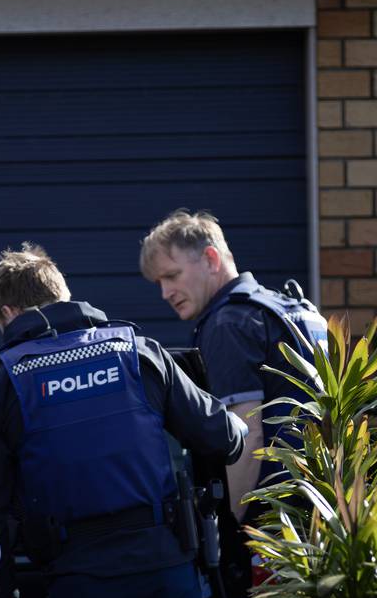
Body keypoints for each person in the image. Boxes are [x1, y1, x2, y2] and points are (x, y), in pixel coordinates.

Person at [0, 243, 247, 598]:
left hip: (81, 587)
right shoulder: (136, 352)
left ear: (7, 314)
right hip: (167, 574)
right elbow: (224, 437)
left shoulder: (3, 383)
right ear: (63, 296)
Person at [139, 209, 329, 522]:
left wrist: (233, 526)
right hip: (325, 505)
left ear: (211, 259)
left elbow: (246, 435)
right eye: (159, 282)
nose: (165, 293)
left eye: (172, 276)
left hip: (276, 523)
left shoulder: (230, 322)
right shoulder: (296, 310)